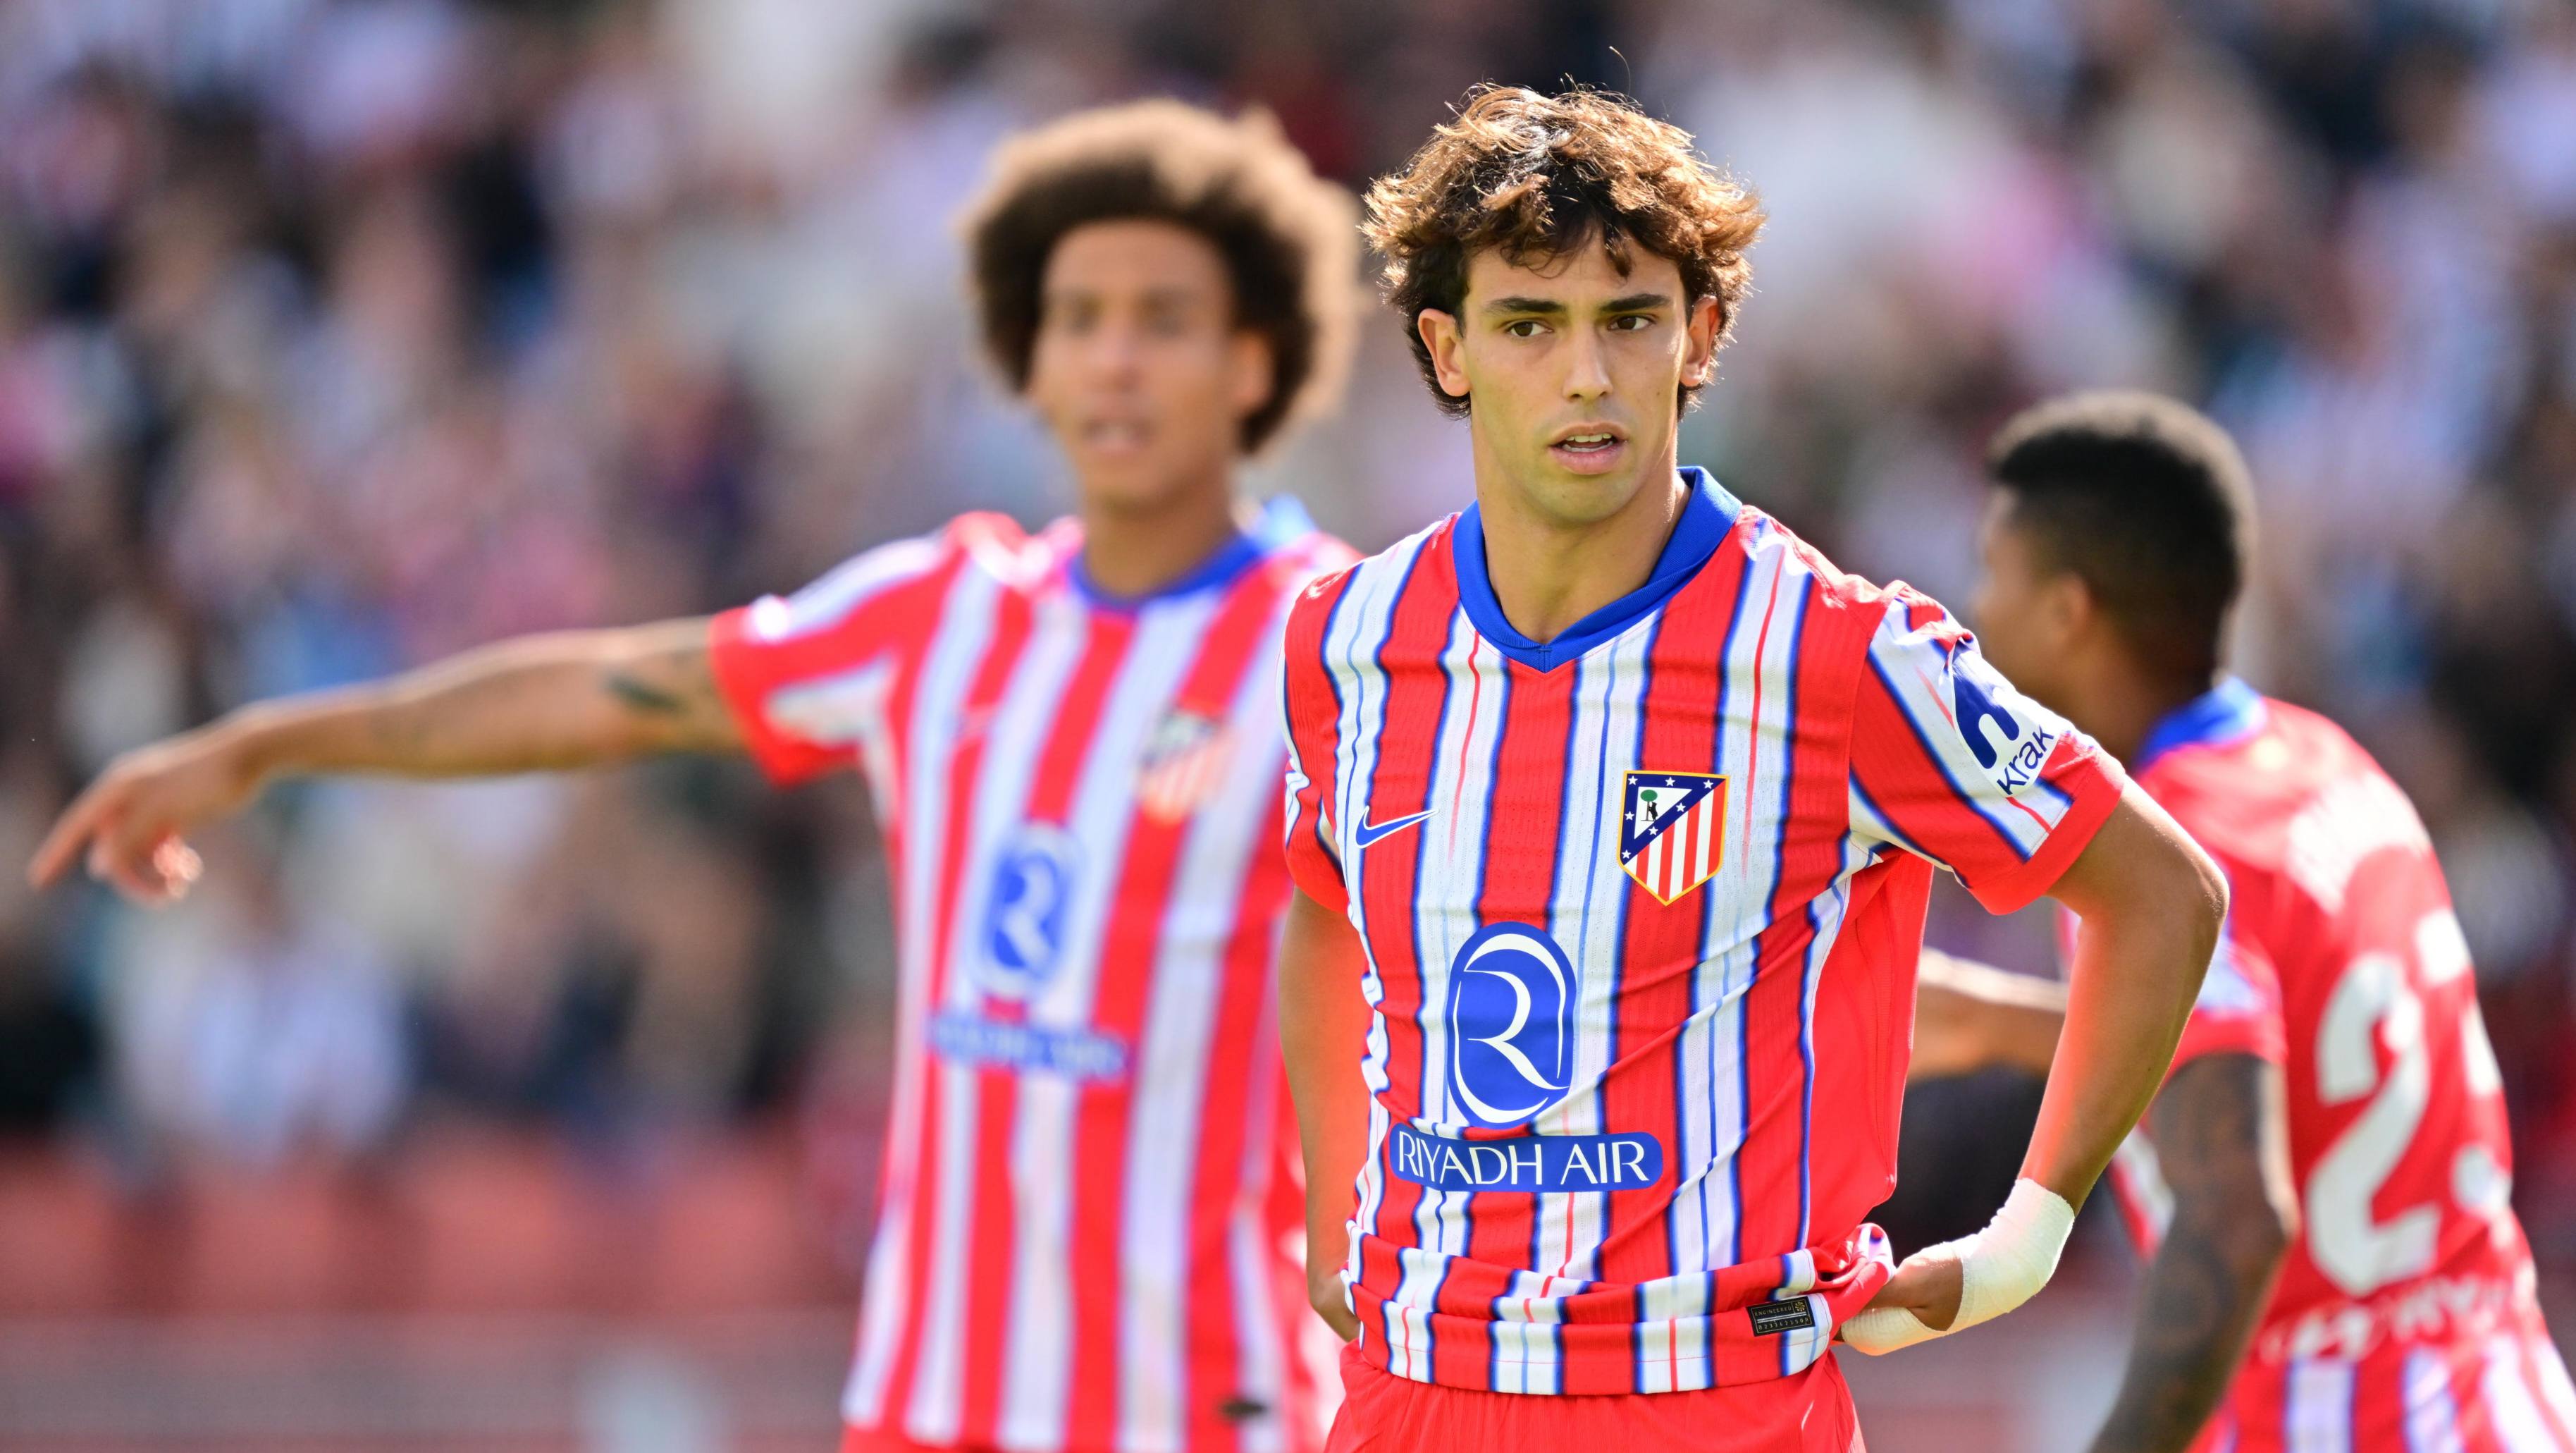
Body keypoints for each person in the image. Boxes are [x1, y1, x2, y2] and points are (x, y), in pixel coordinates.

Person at [30, 100, 1361, 1453]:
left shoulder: (1340, 645)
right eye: (1079, 318)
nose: (1114, 361)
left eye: (1163, 319)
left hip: (1210, 1410)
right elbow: (606, 695)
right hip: (934, 1406)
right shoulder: (946, 615)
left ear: (1257, 358)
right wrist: (269, 743)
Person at [1269, 85, 2228, 1452]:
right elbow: (1322, 906)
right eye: (1530, 326)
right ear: (1449, 347)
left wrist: (2028, 1228)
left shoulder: (1831, 650)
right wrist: (1334, 1200)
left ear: (1699, 333)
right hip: (1412, 1391)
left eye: (1629, 319)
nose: (1586, 376)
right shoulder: (1345, 639)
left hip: (1711, 1398)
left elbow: (2160, 891)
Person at [1909, 391, 2576, 1452]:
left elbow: (2238, 1215)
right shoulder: (2332, 766)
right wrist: (2002, 1024)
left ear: (2070, 613)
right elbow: (2294, 1048)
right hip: (2502, 1390)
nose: (1975, 619)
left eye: (1995, 577)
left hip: (2332, 1415)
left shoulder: (2160, 862)